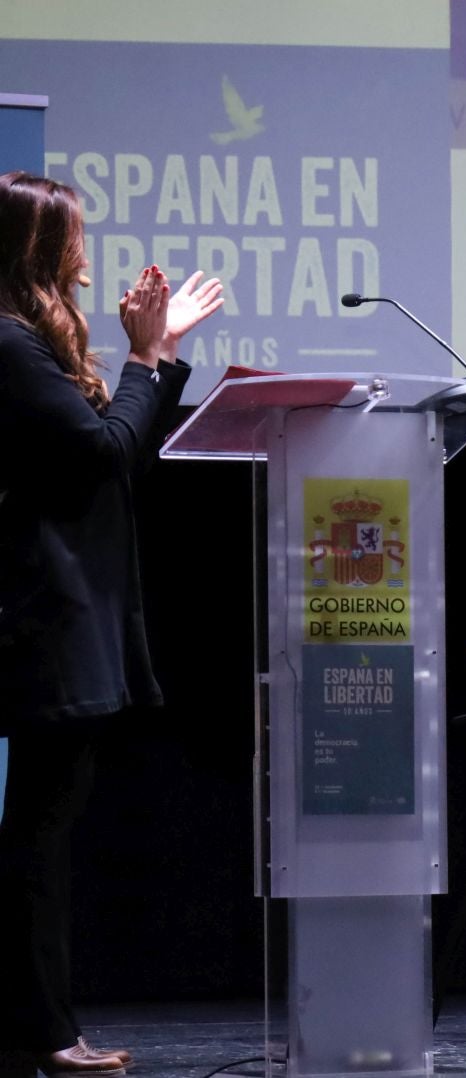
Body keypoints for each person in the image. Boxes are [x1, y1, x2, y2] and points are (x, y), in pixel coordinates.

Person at [0, 172, 223, 1077]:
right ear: (37, 250)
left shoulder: (29, 346)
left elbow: (108, 459)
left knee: (42, 832)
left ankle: (37, 1028)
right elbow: (103, 452)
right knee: (38, 841)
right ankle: (45, 1032)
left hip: (69, 609)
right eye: (73, 240)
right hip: (44, 617)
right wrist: (147, 359)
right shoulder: (10, 346)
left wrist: (152, 358)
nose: (86, 256)